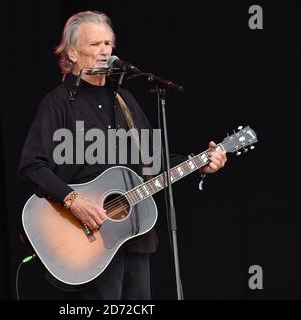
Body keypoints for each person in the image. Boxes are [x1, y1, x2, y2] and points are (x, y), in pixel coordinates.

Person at [18, 11, 227, 299]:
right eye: (94, 45)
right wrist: (73, 199)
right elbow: (32, 165)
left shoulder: (124, 99)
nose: (104, 51)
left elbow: (153, 161)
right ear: (72, 53)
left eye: (108, 43)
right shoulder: (57, 104)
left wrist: (202, 162)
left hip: (134, 234)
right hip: (84, 240)